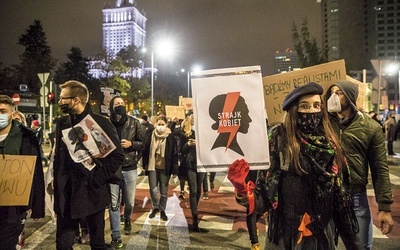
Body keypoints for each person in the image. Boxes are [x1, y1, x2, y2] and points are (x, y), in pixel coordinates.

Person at [228, 82, 360, 249]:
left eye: (316, 105)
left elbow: (341, 204)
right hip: (285, 235)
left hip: (320, 237)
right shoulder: (278, 139)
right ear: (293, 110)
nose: (312, 111)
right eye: (304, 106)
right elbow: (265, 198)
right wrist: (242, 190)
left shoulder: (330, 143)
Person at [53, 80, 124, 250]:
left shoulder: (101, 123)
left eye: (63, 98)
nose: (60, 102)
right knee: (63, 244)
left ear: (76, 100)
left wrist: (96, 180)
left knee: (97, 243)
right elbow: (59, 156)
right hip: (67, 193)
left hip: (92, 194)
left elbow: (116, 157)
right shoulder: (62, 123)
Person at [325, 80, 394, 249]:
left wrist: (384, 207)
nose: (333, 96)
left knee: (361, 246)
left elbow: (380, 168)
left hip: (355, 199)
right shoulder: (322, 125)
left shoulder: (370, 127)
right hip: (325, 198)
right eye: (331, 93)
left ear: (350, 97)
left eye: (339, 93)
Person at [0, 95, 45, 249]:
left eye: (2, 111)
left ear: (12, 114)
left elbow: (36, 172)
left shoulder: (26, 137)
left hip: (14, 206)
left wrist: (38, 206)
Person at [108, 96, 144, 249]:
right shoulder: (107, 123)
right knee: (113, 204)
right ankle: (116, 236)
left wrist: (131, 144)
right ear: (112, 106)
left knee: (129, 201)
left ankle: (127, 219)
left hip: (129, 167)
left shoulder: (134, 123)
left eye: (122, 103)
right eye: (117, 104)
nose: (120, 106)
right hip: (112, 168)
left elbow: (143, 143)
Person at [143, 115, 178, 221]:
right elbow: (145, 151)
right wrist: (144, 166)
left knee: (164, 191)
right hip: (152, 166)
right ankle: (155, 207)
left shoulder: (170, 137)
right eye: (159, 124)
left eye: (163, 124)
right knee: (153, 190)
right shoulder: (150, 135)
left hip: (165, 167)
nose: (161, 127)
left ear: (166, 125)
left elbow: (174, 154)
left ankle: (162, 209)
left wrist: (175, 169)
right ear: (155, 124)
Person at [179, 114, 208, 232]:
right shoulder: (184, 132)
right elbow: (181, 149)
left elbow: (209, 146)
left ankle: (194, 211)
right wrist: (188, 144)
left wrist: (199, 144)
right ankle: (194, 218)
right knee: (194, 190)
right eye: (192, 116)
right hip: (190, 164)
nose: (194, 117)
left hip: (201, 163)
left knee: (199, 191)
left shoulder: (204, 131)